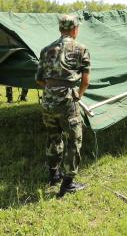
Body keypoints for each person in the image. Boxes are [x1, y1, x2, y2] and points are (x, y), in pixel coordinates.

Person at [36, 14, 90, 198]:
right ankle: (67, 184)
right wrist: (78, 95)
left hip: (48, 100)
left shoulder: (45, 50)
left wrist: (52, 89)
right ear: (74, 29)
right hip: (67, 101)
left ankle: (53, 176)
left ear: (60, 29)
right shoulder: (81, 49)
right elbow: (85, 81)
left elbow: (39, 79)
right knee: (74, 140)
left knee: (53, 137)